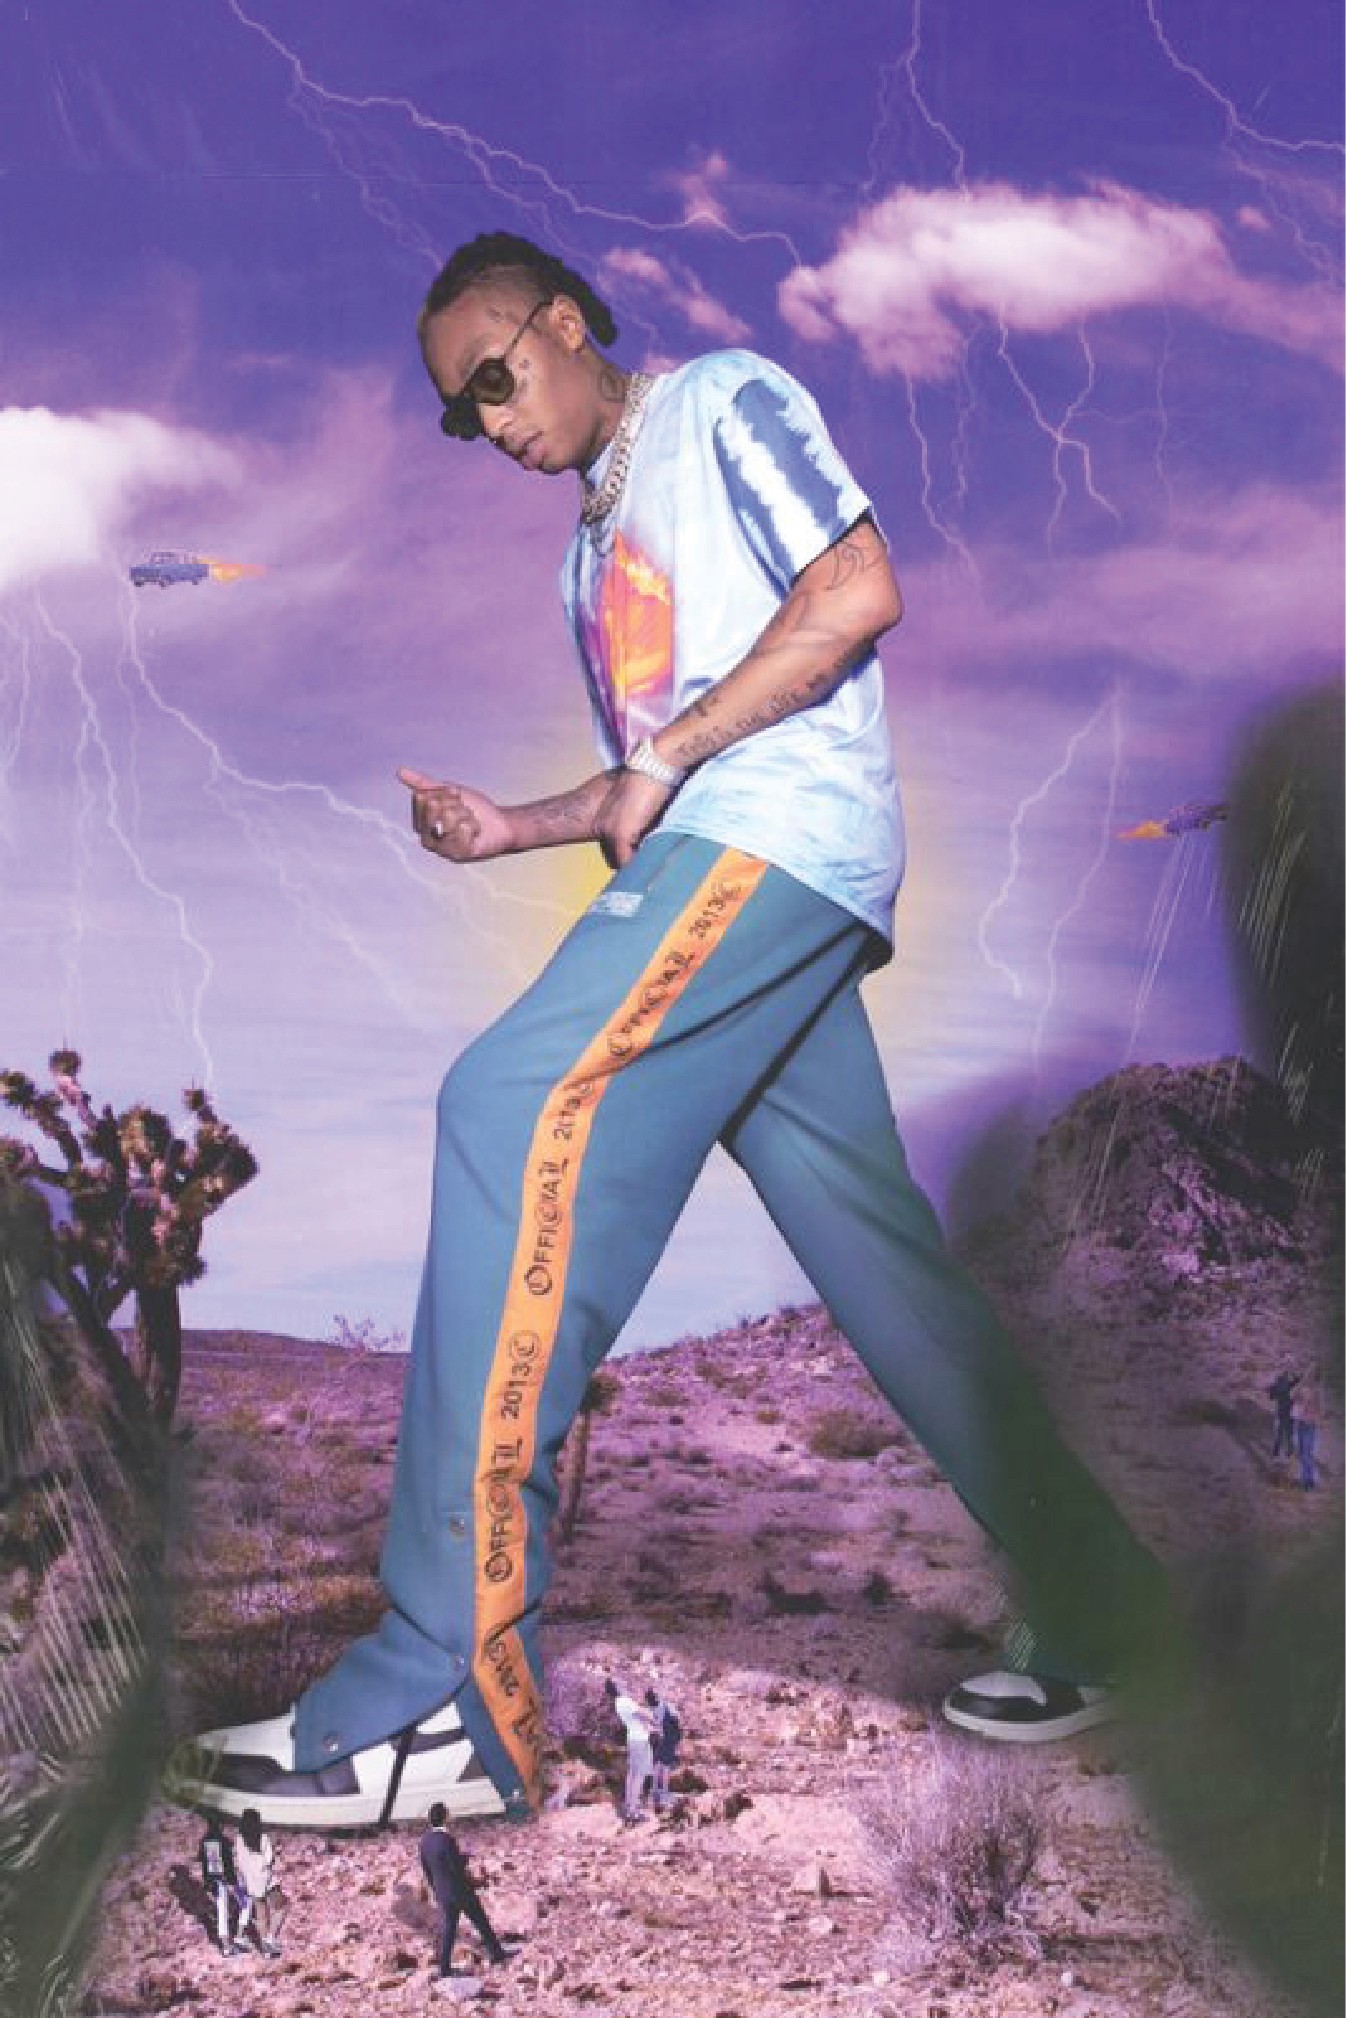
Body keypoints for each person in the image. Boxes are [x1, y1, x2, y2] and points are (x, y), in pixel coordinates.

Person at [172, 228, 1169, 1830]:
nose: (487, 421)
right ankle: (1116, 1606)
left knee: (506, 1103)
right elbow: (652, 778)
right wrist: (517, 826)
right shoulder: (587, 561)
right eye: (459, 411)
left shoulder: (722, 402)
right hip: (733, 857)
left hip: (776, 841)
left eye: (496, 376)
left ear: (567, 323)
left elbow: (855, 589)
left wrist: (667, 755)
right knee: (881, 1268)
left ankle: (447, 1687)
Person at [418, 1802, 509, 1977]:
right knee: (480, 1921)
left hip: (443, 1892)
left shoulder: (425, 1842)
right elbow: (456, 1866)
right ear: (445, 1817)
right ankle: (496, 1954)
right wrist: (465, 1859)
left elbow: (427, 1869)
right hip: (460, 1890)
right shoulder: (447, 1839)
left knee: (449, 1930)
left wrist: (436, 1889)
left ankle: (444, 1968)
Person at [233, 1806, 287, 1958]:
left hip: (251, 1881)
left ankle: (266, 1949)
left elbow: (240, 1860)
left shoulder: (239, 1839)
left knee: (261, 1914)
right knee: (281, 1906)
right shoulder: (263, 1838)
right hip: (265, 1878)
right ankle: (271, 1938)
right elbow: (269, 1860)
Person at [605, 1677, 655, 1823]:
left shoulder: (619, 1702)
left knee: (632, 1774)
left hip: (633, 1739)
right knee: (639, 1775)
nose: (623, 1681)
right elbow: (644, 1715)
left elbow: (639, 1715)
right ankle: (633, 1811)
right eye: (619, 1682)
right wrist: (654, 1719)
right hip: (640, 1740)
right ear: (617, 1687)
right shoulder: (625, 1701)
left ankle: (629, 1807)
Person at [196, 1813, 242, 1957]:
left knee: (222, 1911)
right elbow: (227, 1865)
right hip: (221, 1881)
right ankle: (226, 1947)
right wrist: (232, 1882)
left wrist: (208, 1882)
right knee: (223, 1912)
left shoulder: (205, 1841)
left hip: (213, 1882)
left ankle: (227, 1943)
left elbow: (203, 1862)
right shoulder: (222, 1841)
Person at [645, 1687, 681, 1812]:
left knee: (657, 1764)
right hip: (668, 1738)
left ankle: (654, 1789)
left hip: (659, 1739)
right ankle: (664, 1791)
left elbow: (652, 1725)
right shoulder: (666, 1706)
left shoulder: (652, 1709)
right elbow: (677, 1718)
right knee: (665, 1766)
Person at [1268, 1369, 1300, 1458]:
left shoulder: (1286, 1384)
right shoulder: (1287, 1384)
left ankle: (1279, 1454)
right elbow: (1271, 1396)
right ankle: (1286, 1454)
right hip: (1286, 1412)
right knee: (1286, 1434)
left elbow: (1271, 1396)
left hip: (1285, 1412)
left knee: (1282, 1434)